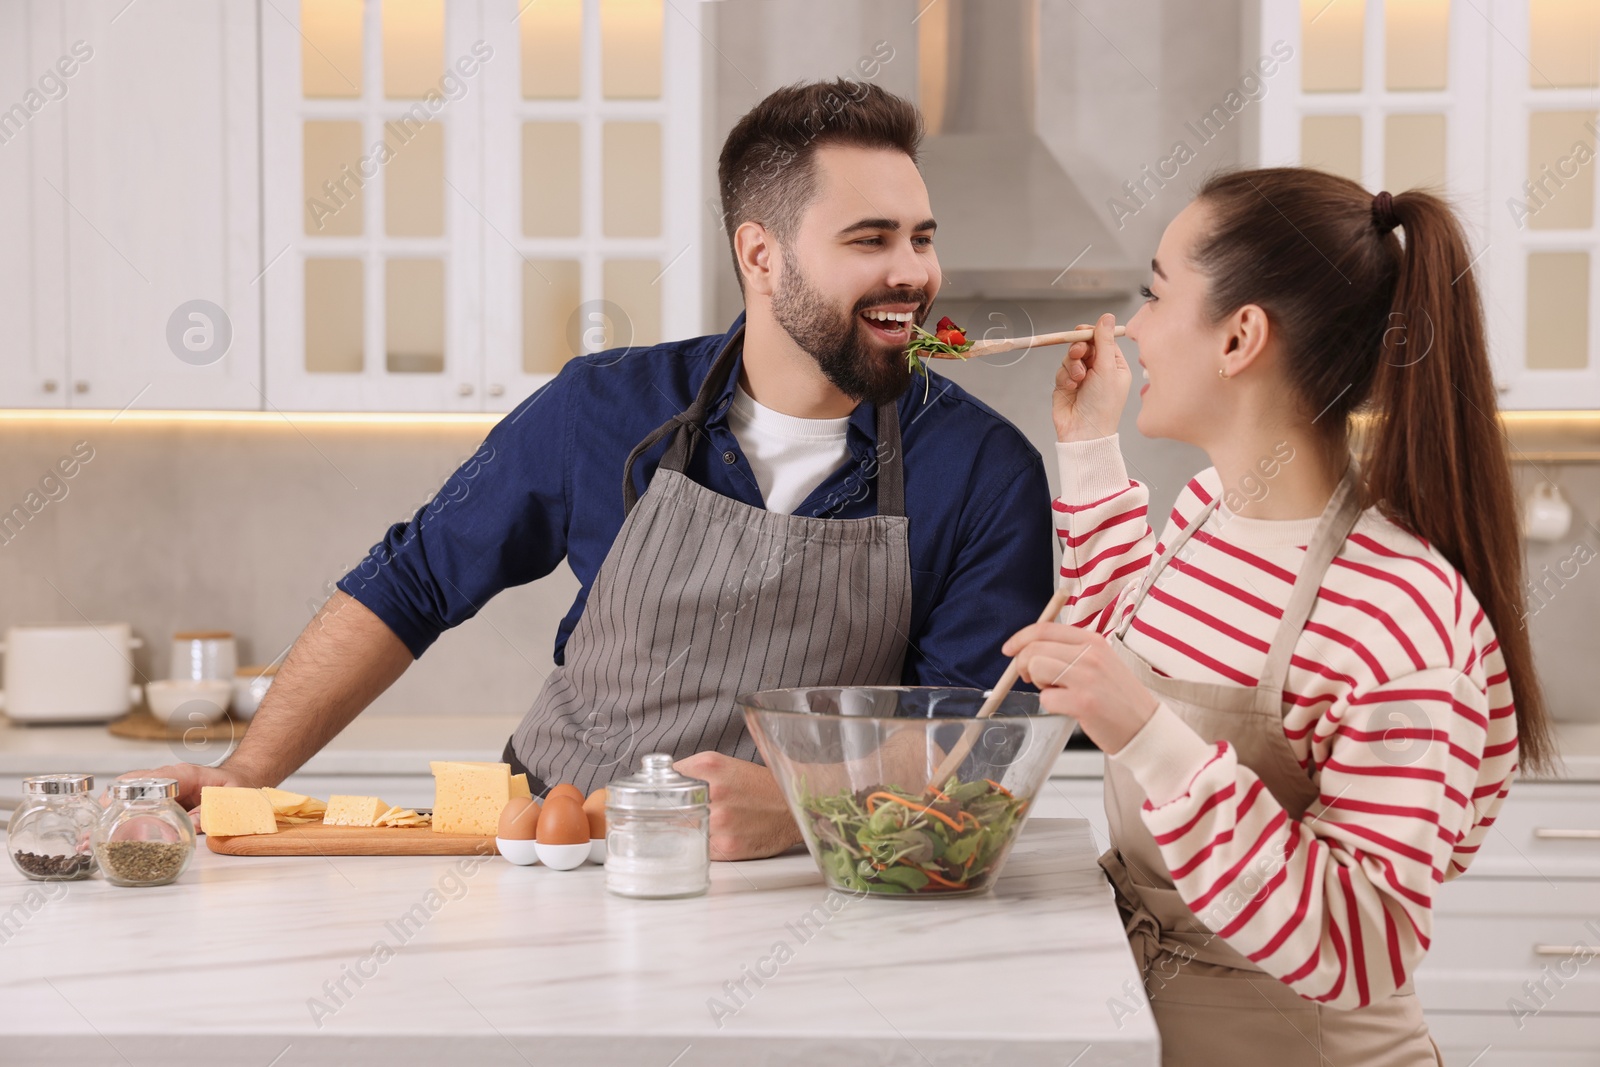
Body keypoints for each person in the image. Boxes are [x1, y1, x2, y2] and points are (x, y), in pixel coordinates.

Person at [126, 80, 1054, 860]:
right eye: (871, 239)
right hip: (554, 858)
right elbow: (412, 580)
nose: (913, 271)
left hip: (808, 885)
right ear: (761, 255)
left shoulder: (983, 472)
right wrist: (248, 774)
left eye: (921, 237)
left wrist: (798, 807)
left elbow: (964, 747)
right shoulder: (602, 408)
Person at [1005, 168, 1551, 1065]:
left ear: (1240, 336)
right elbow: (1124, 646)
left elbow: (1362, 942)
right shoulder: (1207, 510)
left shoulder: (1403, 616)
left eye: (1154, 293)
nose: (1132, 328)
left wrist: (1148, 732)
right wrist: (1090, 445)